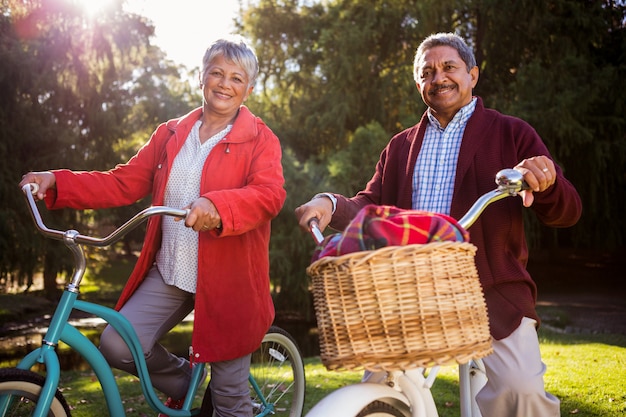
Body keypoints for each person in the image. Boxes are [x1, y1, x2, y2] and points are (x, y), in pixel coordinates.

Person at [295, 32, 581, 416]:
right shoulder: (400, 145)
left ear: (473, 75)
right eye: (427, 72)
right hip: (407, 289)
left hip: (490, 289)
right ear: (418, 84)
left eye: (449, 67)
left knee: (520, 391)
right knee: (378, 393)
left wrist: (545, 181)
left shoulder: (511, 132)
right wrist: (329, 202)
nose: (439, 77)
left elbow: (568, 211)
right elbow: (370, 206)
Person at [20, 35, 286, 417]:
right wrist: (58, 181)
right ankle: (185, 381)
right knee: (116, 343)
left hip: (230, 281)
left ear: (249, 88)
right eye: (216, 73)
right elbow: (121, 181)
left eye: (236, 78)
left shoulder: (261, 139)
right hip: (173, 271)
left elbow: (269, 195)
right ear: (201, 77)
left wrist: (218, 204)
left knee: (229, 402)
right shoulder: (171, 133)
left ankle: (222, 397)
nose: (225, 84)